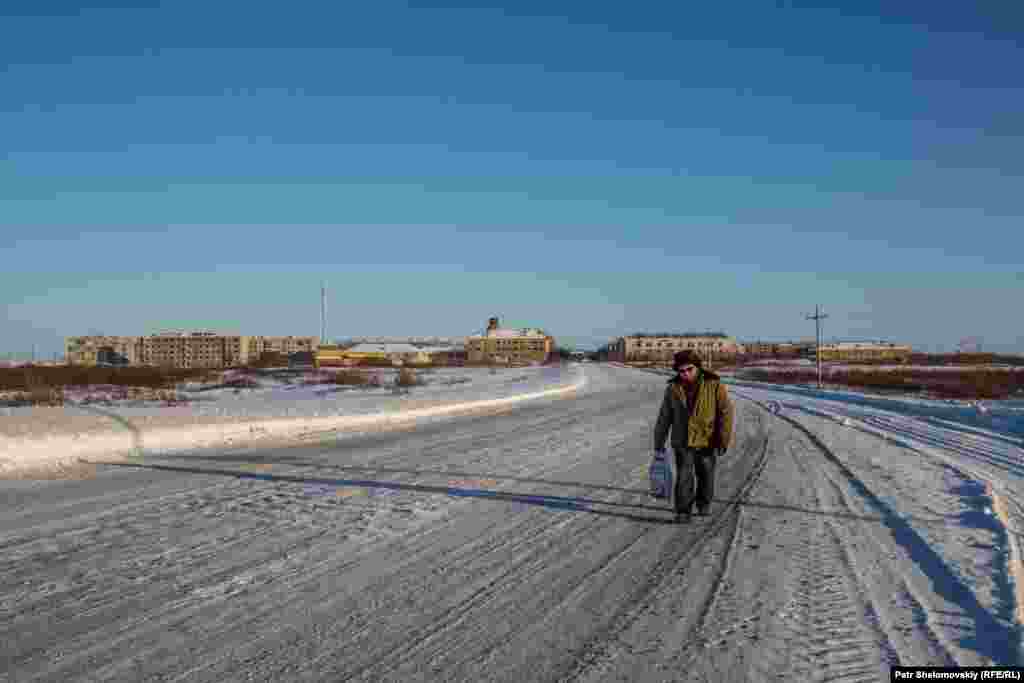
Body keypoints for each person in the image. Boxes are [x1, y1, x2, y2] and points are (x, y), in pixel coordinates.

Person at [653, 350, 734, 523]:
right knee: (684, 476)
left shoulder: (714, 384)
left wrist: (723, 438)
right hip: (682, 441)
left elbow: (725, 413)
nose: (685, 374)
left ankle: (703, 503)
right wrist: (659, 441)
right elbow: (664, 416)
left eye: (689, 369)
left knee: (706, 474)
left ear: (697, 367)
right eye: (681, 371)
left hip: (707, 439)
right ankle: (683, 511)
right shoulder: (673, 388)